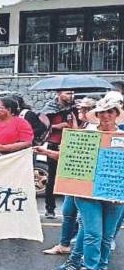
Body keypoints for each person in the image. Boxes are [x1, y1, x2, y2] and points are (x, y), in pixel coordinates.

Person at [49, 97, 124, 270]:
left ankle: (102, 269)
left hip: (114, 193)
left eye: (110, 111)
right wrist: (47, 152)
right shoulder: (86, 134)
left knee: (107, 236)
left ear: (116, 114)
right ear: (97, 115)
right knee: (92, 234)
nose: (106, 116)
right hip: (87, 193)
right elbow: (69, 156)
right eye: (102, 112)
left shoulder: (122, 136)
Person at [40, 97, 96, 256]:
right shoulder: (85, 126)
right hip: (75, 175)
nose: (80, 112)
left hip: (85, 177)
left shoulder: (93, 128)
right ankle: (65, 244)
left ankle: (77, 252)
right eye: (80, 109)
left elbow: (77, 151)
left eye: (83, 109)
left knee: (82, 217)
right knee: (69, 211)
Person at [41, 90, 77, 219]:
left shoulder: (75, 108)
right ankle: (50, 208)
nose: (70, 96)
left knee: (72, 178)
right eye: (67, 93)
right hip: (54, 144)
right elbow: (42, 126)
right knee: (52, 178)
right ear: (59, 93)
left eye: (72, 93)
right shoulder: (49, 108)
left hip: (72, 144)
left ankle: (73, 209)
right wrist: (57, 126)